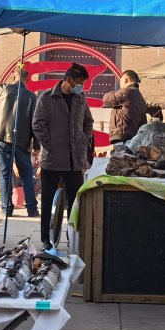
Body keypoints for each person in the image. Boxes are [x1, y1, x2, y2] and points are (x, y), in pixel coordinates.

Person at [32, 63, 93, 250]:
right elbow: (38, 125)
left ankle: (72, 238)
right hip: (52, 160)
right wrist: (50, 145)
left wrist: (84, 138)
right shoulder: (47, 98)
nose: (81, 87)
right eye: (80, 83)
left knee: (75, 204)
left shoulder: (80, 98)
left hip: (75, 161)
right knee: (48, 200)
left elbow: (88, 121)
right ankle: (46, 239)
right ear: (69, 80)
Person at [0, 66, 38, 218]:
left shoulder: (2, 89)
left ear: (14, 76)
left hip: (2, 136)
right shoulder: (31, 97)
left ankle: (6, 208)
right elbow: (34, 123)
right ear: (27, 79)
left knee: (5, 174)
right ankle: (32, 209)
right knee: (27, 175)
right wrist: (36, 145)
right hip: (22, 140)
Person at [102, 69, 147, 144]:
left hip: (121, 135)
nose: (120, 86)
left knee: (120, 154)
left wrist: (114, 92)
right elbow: (143, 122)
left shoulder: (126, 92)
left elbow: (106, 99)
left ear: (126, 80)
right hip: (134, 137)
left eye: (121, 82)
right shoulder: (141, 98)